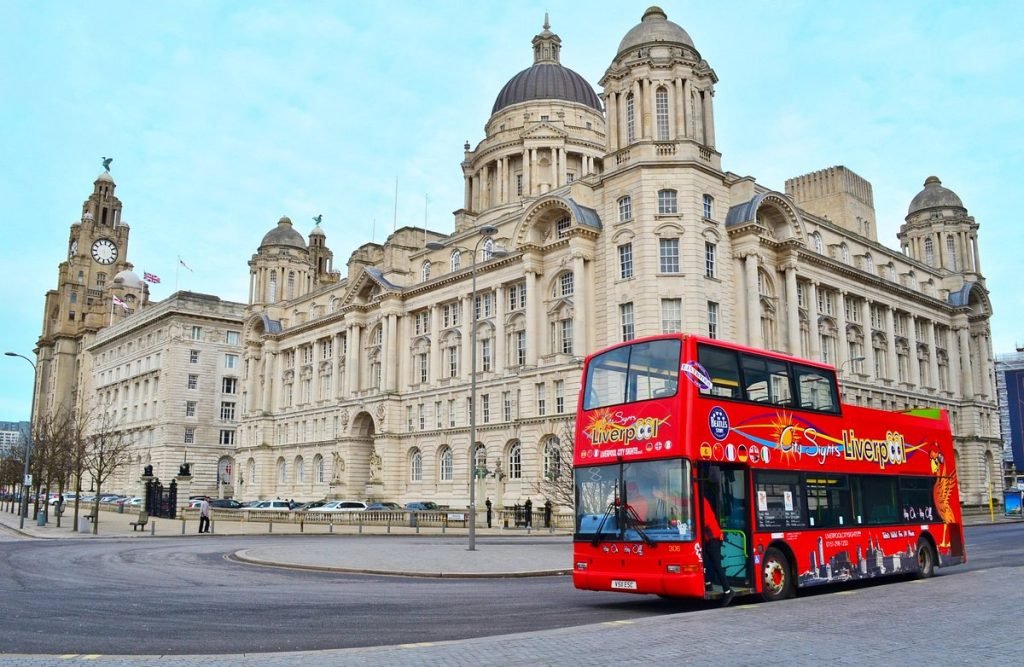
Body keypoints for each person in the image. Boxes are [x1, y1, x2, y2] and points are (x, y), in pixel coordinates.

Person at [701, 494, 734, 606]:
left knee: (716, 565)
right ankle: (708, 583)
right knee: (703, 559)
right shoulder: (699, 500)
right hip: (708, 538)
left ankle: (728, 591)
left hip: (713, 537)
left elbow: (704, 522)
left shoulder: (701, 501)